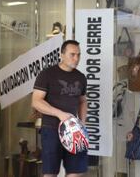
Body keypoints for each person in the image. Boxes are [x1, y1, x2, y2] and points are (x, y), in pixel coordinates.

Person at [32, 40, 88, 177]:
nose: (76, 58)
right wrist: (60, 114)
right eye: (72, 54)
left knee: (75, 172)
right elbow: (36, 101)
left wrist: (82, 123)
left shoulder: (81, 77)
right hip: (51, 129)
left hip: (74, 130)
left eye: (78, 55)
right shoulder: (47, 74)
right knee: (50, 173)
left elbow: (82, 101)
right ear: (62, 55)